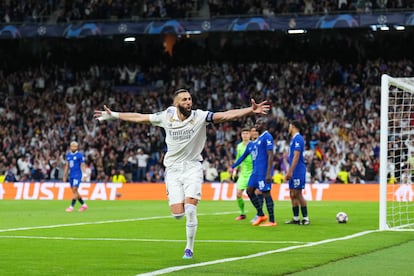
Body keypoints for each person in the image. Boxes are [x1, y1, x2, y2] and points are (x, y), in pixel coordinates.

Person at [94, 88, 270, 259]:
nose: (188, 102)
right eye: (184, 100)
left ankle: (189, 248)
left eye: (190, 99)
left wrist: (250, 110)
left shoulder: (199, 116)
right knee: (178, 214)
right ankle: (176, 197)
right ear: (176, 103)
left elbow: (225, 115)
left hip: (193, 167)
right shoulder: (166, 116)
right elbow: (140, 117)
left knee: (191, 209)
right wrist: (114, 115)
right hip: (173, 169)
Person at [232, 118, 276, 227]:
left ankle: (272, 220)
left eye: (259, 123)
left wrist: (268, 173)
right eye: (256, 124)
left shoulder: (267, 137)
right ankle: (260, 214)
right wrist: (233, 166)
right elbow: (242, 157)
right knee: (249, 190)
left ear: (265, 125)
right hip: (255, 173)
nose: (257, 126)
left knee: (266, 193)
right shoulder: (254, 142)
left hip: (263, 172)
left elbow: (270, 154)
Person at [285, 120, 309, 225]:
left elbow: (296, 156)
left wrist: (290, 171)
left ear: (293, 127)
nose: (288, 128)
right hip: (293, 169)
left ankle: (305, 218)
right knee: (292, 193)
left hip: (298, 170)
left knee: (298, 193)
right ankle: (295, 218)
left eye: (290, 126)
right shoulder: (293, 139)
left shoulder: (298, 139)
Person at [232, 126, 254, 221]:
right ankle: (242, 213)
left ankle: (260, 213)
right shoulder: (239, 146)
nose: (245, 135)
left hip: (253, 172)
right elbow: (238, 159)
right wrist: (235, 170)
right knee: (238, 194)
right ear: (241, 135)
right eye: (243, 134)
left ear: (250, 135)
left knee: (255, 193)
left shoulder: (253, 145)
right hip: (243, 173)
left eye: (247, 133)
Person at [63, 141, 88, 212]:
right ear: (70, 147)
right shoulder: (68, 155)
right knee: (75, 191)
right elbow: (67, 166)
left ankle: (71, 207)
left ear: (77, 147)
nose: (73, 147)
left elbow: (83, 165)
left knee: (74, 189)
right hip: (71, 175)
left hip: (77, 175)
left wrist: (85, 174)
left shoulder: (79, 155)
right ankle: (84, 205)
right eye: (72, 146)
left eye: (75, 146)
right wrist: (65, 175)